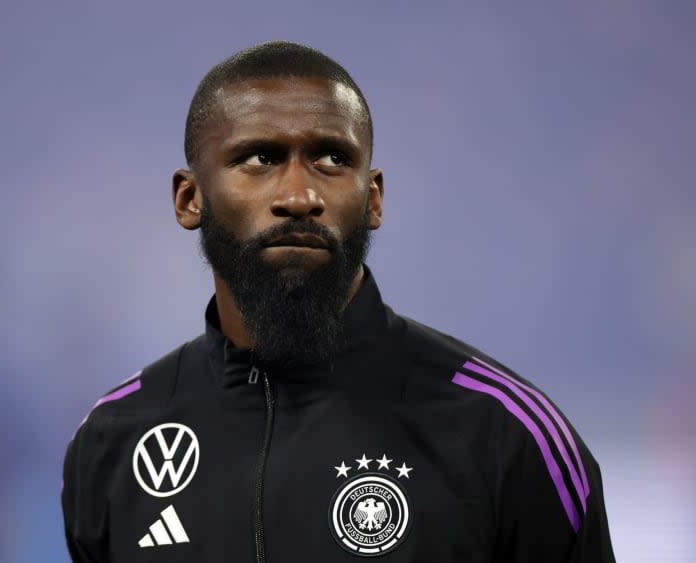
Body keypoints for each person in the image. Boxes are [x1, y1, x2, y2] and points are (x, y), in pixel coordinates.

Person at [62, 41, 616, 562]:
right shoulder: (114, 440)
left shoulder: (503, 434)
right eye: (259, 158)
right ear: (190, 198)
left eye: (331, 159)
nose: (299, 196)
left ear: (372, 198)